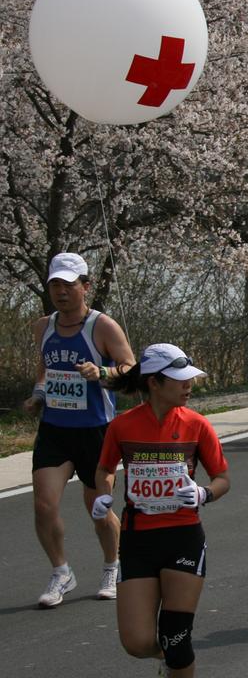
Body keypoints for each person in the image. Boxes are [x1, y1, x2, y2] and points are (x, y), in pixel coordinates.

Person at [93, 344, 228, 677]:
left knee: (176, 638)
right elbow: (105, 468)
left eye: (190, 379)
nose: (189, 386)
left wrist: (204, 493)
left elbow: (223, 478)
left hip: (183, 537)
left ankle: (176, 656)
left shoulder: (197, 425)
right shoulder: (122, 426)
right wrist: (103, 494)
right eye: (180, 380)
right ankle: (171, 658)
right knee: (137, 643)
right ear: (154, 383)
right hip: (138, 539)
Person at [26, 252, 136, 607]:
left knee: (99, 508)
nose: (61, 291)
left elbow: (130, 367)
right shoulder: (43, 326)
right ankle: (61, 572)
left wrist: (102, 374)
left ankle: (111, 565)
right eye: (55, 284)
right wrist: (38, 394)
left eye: (68, 284)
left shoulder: (102, 326)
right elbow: (45, 369)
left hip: (96, 431)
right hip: (55, 429)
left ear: (85, 287)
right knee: (44, 505)